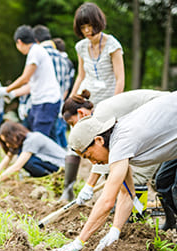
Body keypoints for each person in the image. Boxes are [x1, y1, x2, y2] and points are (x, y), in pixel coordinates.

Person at [57, 88, 177, 251]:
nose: (93, 163)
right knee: (163, 182)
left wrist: (79, 242)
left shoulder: (121, 144)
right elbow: (127, 194)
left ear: (98, 140)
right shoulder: (117, 145)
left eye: (89, 156)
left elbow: (107, 201)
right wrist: (115, 230)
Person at [59, 3, 125, 201]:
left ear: (98, 23)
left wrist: (115, 103)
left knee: (104, 145)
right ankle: (67, 189)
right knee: (76, 139)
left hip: (108, 100)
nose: (87, 31)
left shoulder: (113, 45)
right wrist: (70, 98)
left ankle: (110, 193)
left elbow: (120, 77)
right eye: (82, 28)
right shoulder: (81, 47)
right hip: (86, 100)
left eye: (90, 26)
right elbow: (80, 75)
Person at [61, 89, 168, 206]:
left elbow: (104, 150)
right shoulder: (100, 111)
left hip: (163, 114)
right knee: (158, 175)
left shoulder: (100, 116)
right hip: (155, 121)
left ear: (81, 113)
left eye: (72, 123)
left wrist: (89, 185)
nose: (74, 127)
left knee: (137, 177)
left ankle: (135, 214)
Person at [0, 25, 61, 138]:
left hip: (46, 102)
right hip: (41, 102)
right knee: (45, 137)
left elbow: (25, 78)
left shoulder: (35, 52)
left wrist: (6, 90)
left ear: (19, 42)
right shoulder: (36, 51)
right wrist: (13, 93)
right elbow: (31, 85)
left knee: (39, 139)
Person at [0, 121, 66, 190]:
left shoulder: (31, 139)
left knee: (27, 161)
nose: (8, 145)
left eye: (7, 141)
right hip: (51, 164)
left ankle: (49, 177)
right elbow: (5, 161)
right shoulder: (21, 144)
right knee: (23, 158)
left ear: (14, 135)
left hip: (62, 167)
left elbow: (17, 167)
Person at [32, 25, 71, 148]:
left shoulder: (38, 56)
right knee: (58, 139)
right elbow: (66, 86)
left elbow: (33, 83)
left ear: (36, 40)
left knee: (42, 140)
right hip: (59, 105)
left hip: (43, 104)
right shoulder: (64, 59)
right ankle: (65, 164)